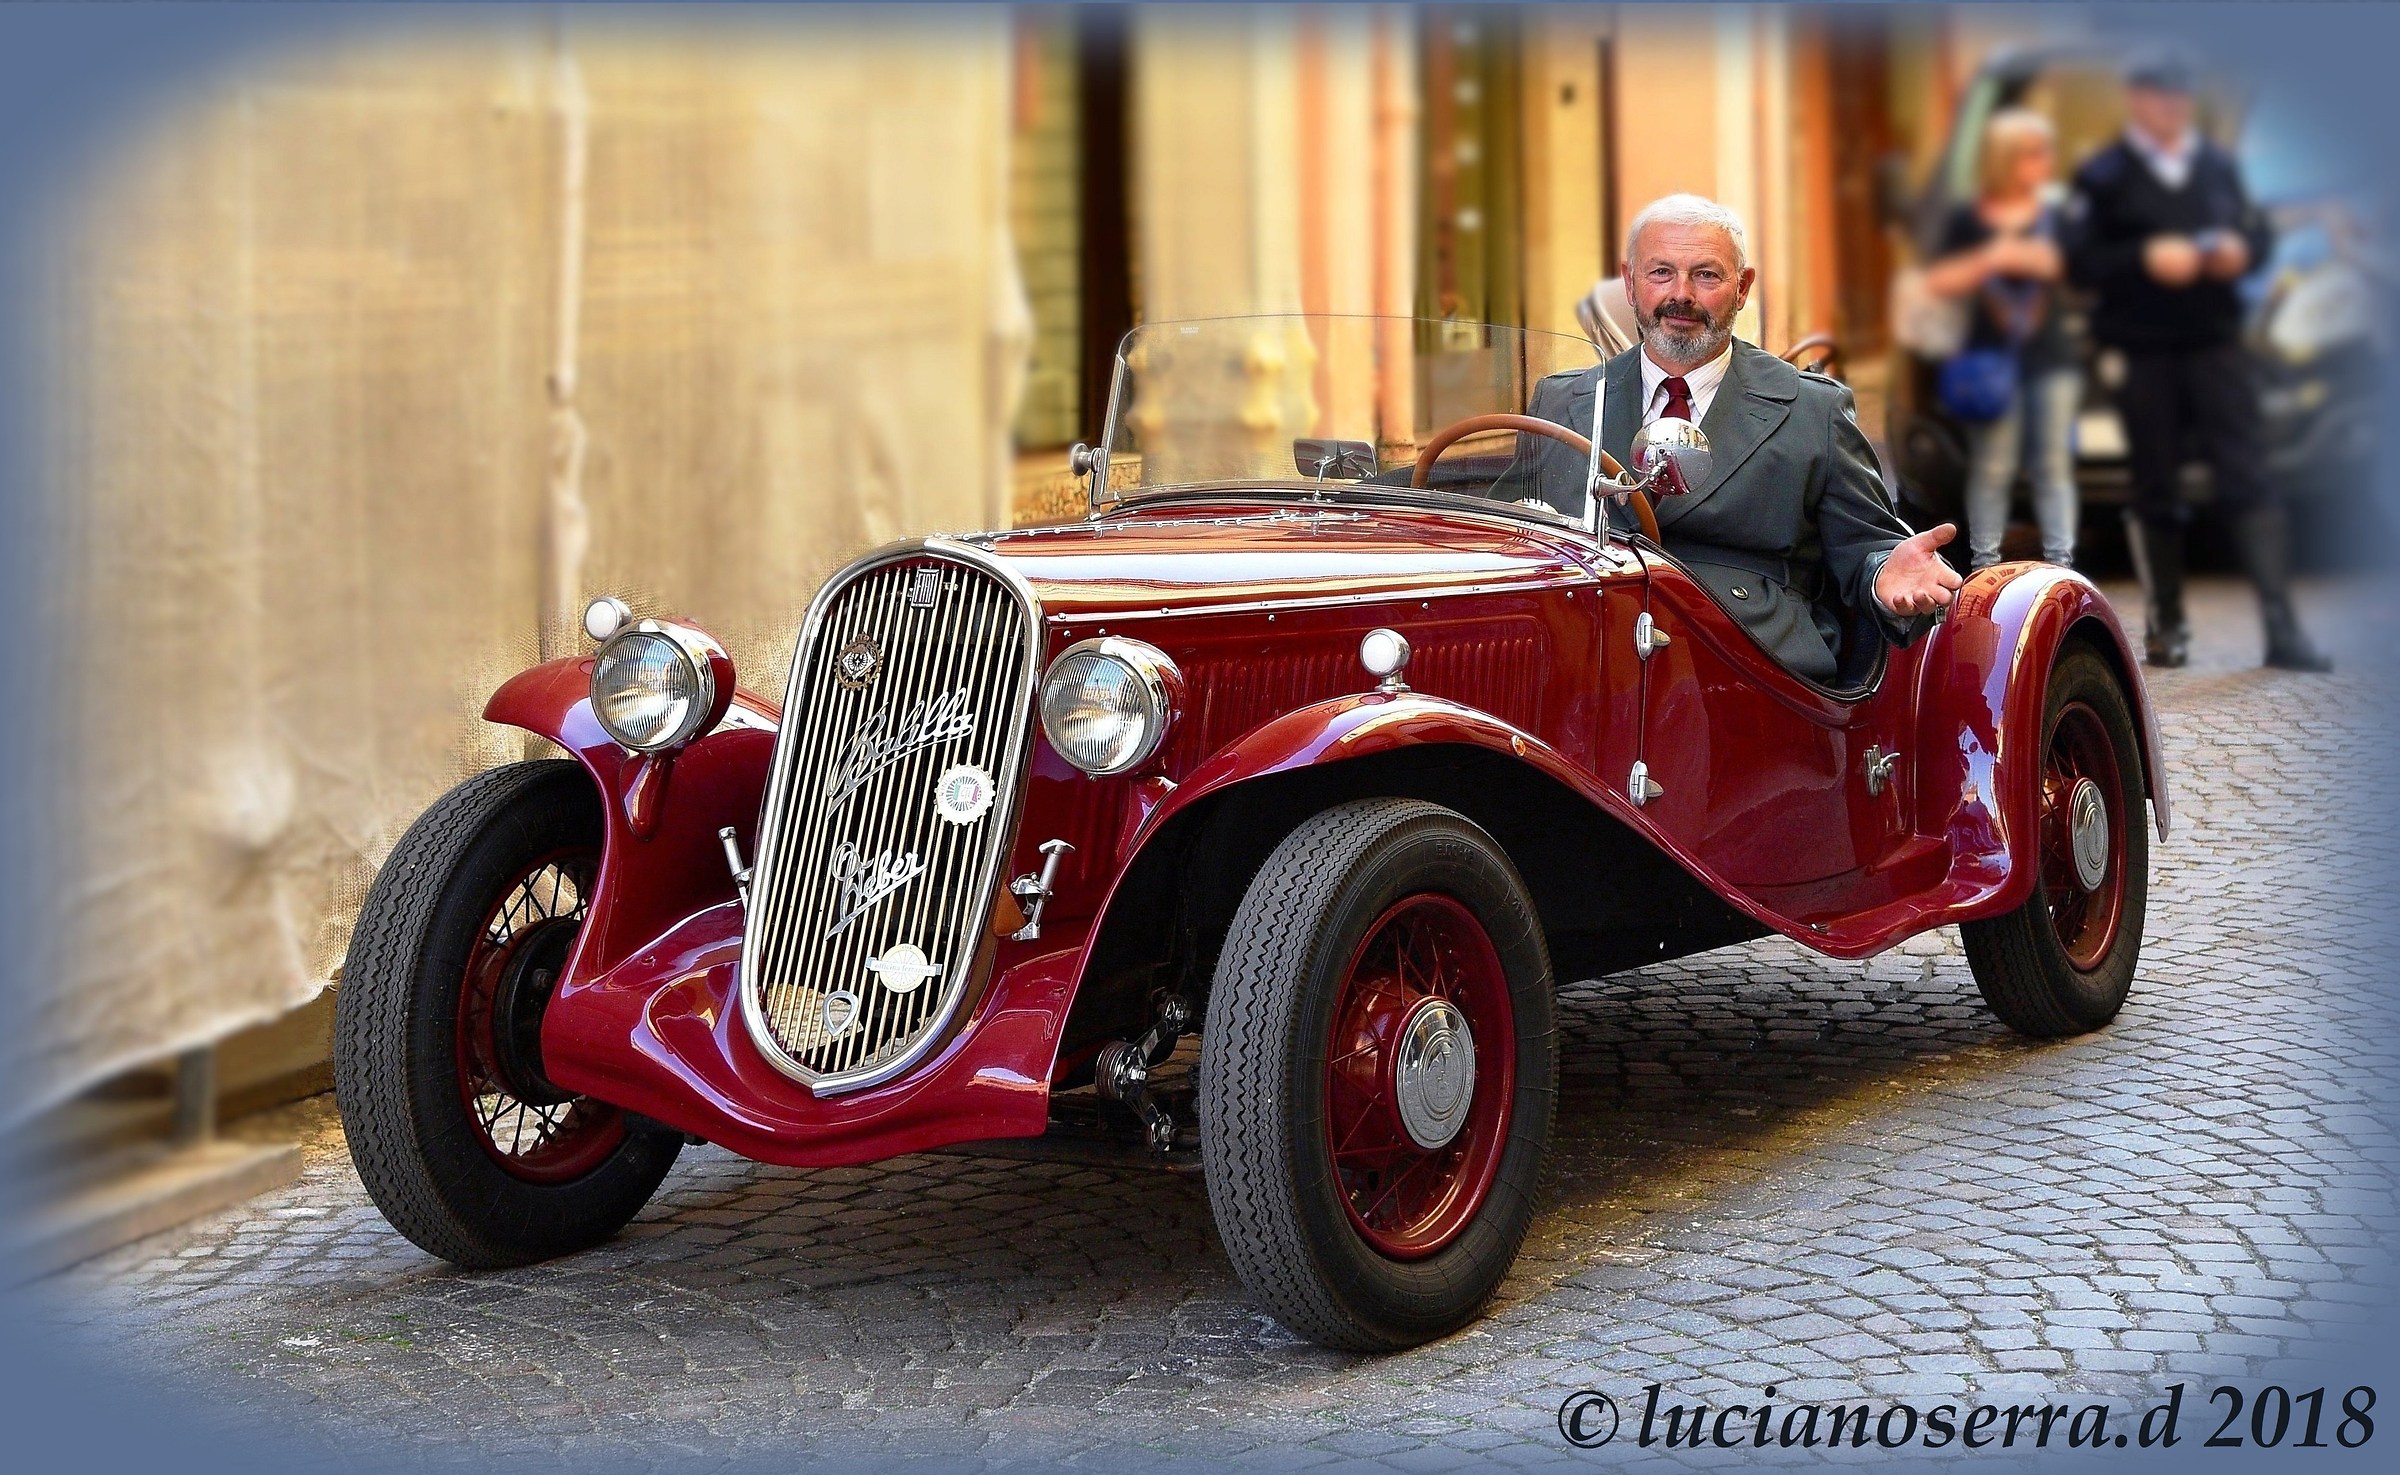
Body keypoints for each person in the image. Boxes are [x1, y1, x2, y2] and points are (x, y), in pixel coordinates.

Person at [1496, 193, 1960, 686]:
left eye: (1706, 275)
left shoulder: (1812, 409)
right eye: (1660, 273)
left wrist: (1884, 572)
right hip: (1585, 664)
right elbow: (1503, 522)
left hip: (1752, 672)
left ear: (1742, 288)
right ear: (1630, 283)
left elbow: (1866, 546)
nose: (1681, 295)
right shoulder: (1565, 400)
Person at [2063, 49, 2330, 670]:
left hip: (2217, 344)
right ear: (2136, 99)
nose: (2174, 108)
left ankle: (2282, 627)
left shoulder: (2216, 165)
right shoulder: (2103, 176)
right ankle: (2167, 626)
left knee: (2251, 476)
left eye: (2183, 98)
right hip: (2143, 349)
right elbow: (2078, 262)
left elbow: (2257, 233)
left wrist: (2245, 249)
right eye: (2162, 97)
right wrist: (2143, 259)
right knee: (2155, 481)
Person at [1924, 108, 2080, 570]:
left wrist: (2044, 263)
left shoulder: (2057, 216)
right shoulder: (1967, 219)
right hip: (1987, 360)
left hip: (2050, 358)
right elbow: (1940, 281)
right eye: (2033, 153)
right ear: (2005, 159)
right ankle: (1984, 566)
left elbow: (2080, 273)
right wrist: (1992, 258)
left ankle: (2062, 567)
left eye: (2045, 153)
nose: (2044, 162)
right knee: (1993, 468)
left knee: (2054, 468)